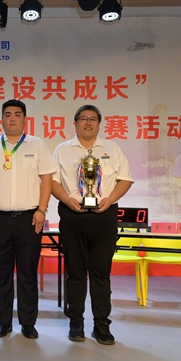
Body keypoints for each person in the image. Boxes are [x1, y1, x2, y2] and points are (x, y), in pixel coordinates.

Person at [0, 99, 55, 339]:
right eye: (7, 114)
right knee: (2, 273)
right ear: (1, 119)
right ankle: (4, 322)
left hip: (29, 219)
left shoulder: (37, 145)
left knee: (28, 273)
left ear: (25, 119)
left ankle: (28, 323)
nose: (12, 118)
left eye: (17, 114)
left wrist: (42, 210)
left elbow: (47, 179)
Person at [51, 104, 133, 345]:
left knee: (101, 272)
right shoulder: (62, 150)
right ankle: (76, 321)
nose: (88, 123)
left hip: (104, 216)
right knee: (75, 272)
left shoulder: (112, 149)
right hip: (72, 215)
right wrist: (67, 199)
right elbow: (52, 181)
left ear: (99, 124)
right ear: (75, 123)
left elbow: (125, 180)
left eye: (93, 119)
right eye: (83, 118)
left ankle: (101, 324)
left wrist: (110, 199)